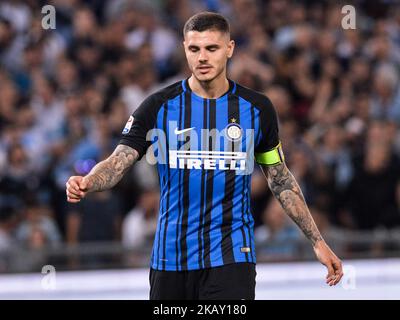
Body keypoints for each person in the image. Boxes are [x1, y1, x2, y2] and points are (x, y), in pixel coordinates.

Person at [66, 12, 343, 300]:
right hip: (171, 257)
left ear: (230, 49)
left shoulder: (257, 109)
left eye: (211, 48)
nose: (202, 58)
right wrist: (89, 181)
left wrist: (317, 241)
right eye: (194, 49)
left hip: (232, 255)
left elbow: (280, 178)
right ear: (184, 48)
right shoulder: (157, 106)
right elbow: (118, 160)